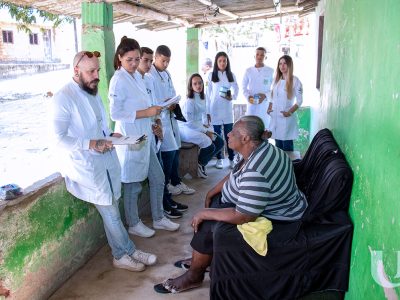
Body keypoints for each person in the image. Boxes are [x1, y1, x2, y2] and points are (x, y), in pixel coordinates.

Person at [154, 115, 308, 293]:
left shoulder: (256, 170)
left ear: (245, 138)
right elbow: (235, 174)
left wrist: (204, 213)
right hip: (268, 204)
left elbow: (245, 215)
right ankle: (203, 258)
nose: (228, 135)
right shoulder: (258, 149)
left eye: (233, 133)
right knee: (214, 206)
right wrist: (212, 191)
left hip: (281, 218)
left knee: (209, 221)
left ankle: (194, 275)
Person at [51, 50, 157, 272]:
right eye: (91, 71)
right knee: (111, 212)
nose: (96, 75)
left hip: (106, 160)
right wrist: (91, 144)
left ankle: (122, 253)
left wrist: (111, 135)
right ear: (76, 71)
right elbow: (59, 139)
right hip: (86, 167)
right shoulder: (63, 97)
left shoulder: (92, 92)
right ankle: (126, 251)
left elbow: (101, 126)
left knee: (112, 210)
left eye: (97, 70)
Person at [109, 37, 180, 239]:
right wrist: (147, 113)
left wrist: (154, 122)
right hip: (130, 138)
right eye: (129, 59)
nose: (134, 63)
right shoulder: (118, 80)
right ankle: (133, 223)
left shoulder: (138, 78)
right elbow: (116, 113)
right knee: (132, 184)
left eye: (136, 59)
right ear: (120, 58)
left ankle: (158, 217)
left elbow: (145, 106)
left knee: (158, 178)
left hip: (145, 136)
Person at [149, 45, 194, 218]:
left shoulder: (166, 74)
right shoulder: (150, 76)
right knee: (166, 160)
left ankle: (173, 186)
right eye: (163, 60)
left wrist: (173, 102)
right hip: (160, 121)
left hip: (169, 118)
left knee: (174, 155)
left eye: (168, 61)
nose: (166, 64)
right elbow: (154, 101)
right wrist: (165, 103)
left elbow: (172, 93)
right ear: (156, 57)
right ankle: (167, 194)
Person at [178, 73, 224, 178]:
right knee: (209, 144)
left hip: (198, 125)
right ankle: (199, 164)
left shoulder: (202, 97)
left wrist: (206, 125)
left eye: (200, 83)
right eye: (195, 84)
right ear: (191, 86)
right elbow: (189, 122)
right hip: (186, 128)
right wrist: (205, 131)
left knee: (220, 142)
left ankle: (200, 163)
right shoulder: (190, 101)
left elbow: (203, 113)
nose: (198, 86)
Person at [206, 51, 239, 169]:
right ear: (216, 62)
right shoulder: (211, 75)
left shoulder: (231, 75)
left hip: (227, 110)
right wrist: (208, 112)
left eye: (224, 60)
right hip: (214, 109)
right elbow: (208, 94)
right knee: (217, 136)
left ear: (227, 62)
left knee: (229, 135)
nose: (222, 63)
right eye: (220, 61)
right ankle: (220, 159)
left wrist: (232, 97)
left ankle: (231, 158)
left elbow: (237, 89)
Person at [267, 55, 303, 152]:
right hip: (275, 118)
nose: (282, 66)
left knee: (287, 148)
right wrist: (269, 108)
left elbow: (299, 101)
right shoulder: (276, 80)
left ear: (289, 65)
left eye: (285, 63)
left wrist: (289, 112)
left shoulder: (295, 80)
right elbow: (272, 97)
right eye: (280, 64)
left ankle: (290, 166)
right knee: (278, 147)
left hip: (287, 118)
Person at [242, 47, 274, 128]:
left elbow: (275, 88)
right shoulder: (248, 71)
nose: (259, 57)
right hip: (251, 105)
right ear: (254, 56)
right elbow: (243, 87)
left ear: (265, 57)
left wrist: (265, 96)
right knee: (251, 129)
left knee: (264, 128)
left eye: (262, 55)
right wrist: (248, 97)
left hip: (264, 106)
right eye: (257, 54)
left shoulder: (271, 71)